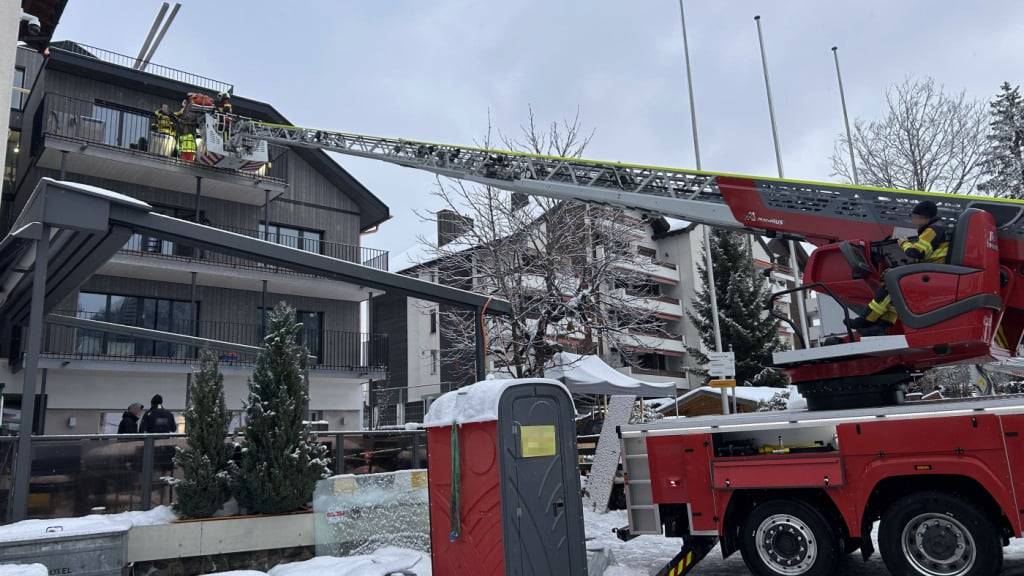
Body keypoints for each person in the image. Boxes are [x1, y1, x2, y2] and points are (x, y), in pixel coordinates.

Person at [846, 199, 950, 335]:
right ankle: (882, 325)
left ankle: (866, 319)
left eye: (914, 218)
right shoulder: (938, 227)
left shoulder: (933, 230)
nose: (914, 222)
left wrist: (903, 242)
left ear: (923, 217)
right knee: (898, 287)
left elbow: (915, 253)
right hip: (934, 270)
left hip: (932, 271)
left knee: (890, 282)